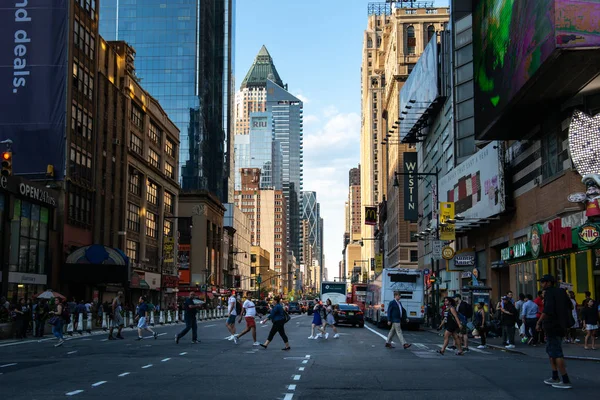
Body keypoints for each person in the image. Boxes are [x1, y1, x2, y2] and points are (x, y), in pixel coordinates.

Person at [536, 275, 573, 389]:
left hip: (551, 325)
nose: (541, 284)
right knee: (552, 351)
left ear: (548, 283)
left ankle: (565, 379)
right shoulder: (562, 292)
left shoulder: (549, 293)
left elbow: (547, 310)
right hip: (561, 325)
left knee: (556, 353)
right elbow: (570, 306)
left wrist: (539, 322)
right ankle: (555, 376)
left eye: (542, 282)